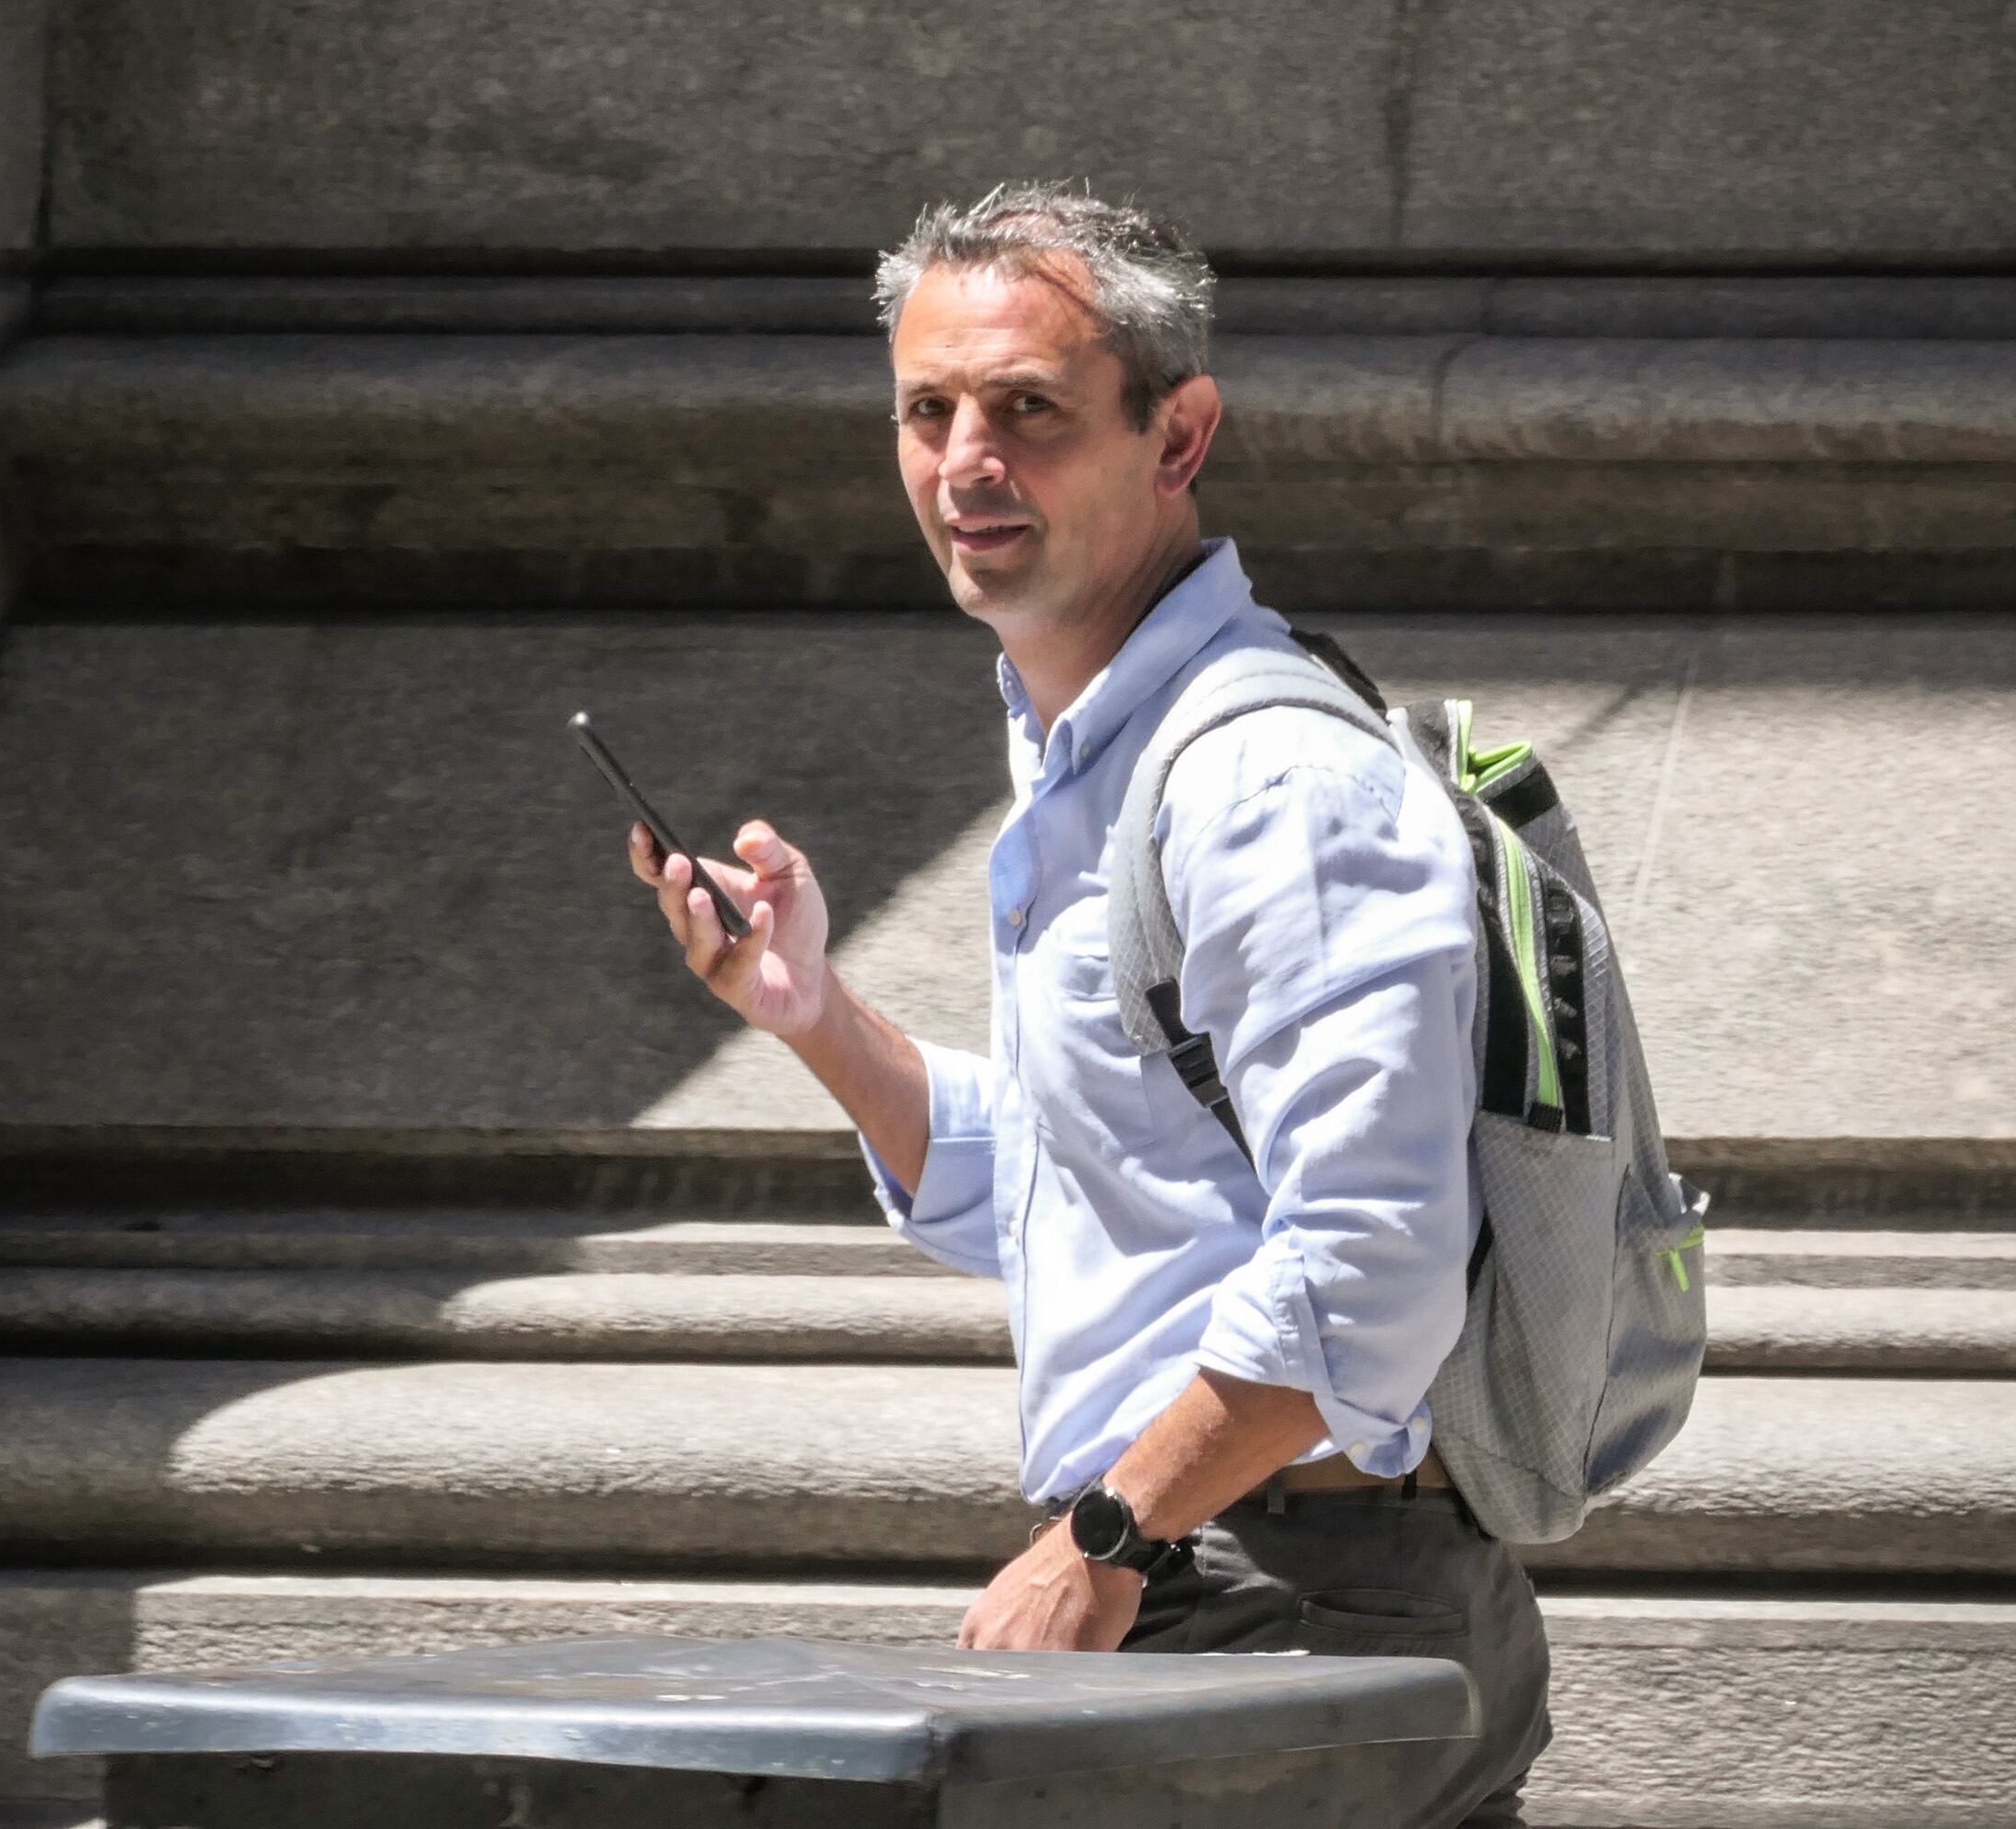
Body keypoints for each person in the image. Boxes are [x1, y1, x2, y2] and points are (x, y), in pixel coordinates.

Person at [624, 182, 1548, 1829]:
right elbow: (1090, 1193)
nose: (965, 459)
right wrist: (819, 1015)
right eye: (929, 410)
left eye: (1029, 411)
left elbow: (1369, 1262)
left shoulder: (1264, 780)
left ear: (1178, 438)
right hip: (1234, 1594)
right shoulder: (1094, 755)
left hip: (1281, 1602)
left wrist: (1103, 1540)